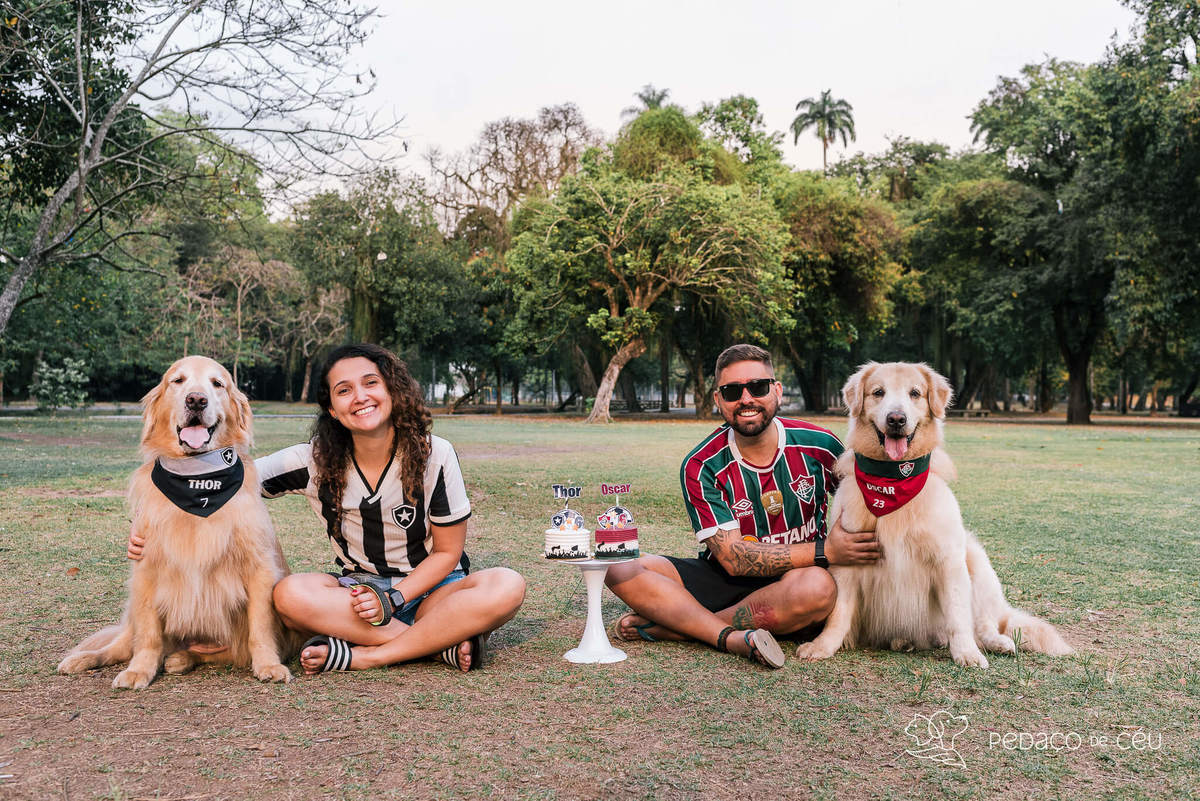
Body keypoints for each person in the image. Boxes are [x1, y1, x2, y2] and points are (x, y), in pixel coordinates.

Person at [129, 343, 526, 674]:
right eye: (344, 390)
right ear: (333, 409)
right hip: (357, 597)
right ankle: (437, 643)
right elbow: (221, 479)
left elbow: (447, 553)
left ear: (393, 391)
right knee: (289, 595)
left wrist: (393, 600)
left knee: (507, 584)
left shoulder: (435, 454)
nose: (360, 397)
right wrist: (147, 526)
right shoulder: (312, 460)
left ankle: (367, 656)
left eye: (371, 383)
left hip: (433, 592)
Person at [604, 343, 880, 668]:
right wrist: (827, 550)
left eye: (758, 387)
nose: (746, 399)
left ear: (777, 391)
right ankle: (724, 634)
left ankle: (680, 627)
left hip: (798, 579)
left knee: (818, 588)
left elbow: (867, 501)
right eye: (732, 391)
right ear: (718, 399)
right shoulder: (702, 464)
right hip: (725, 577)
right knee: (619, 566)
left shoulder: (820, 445)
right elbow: (733, 560)